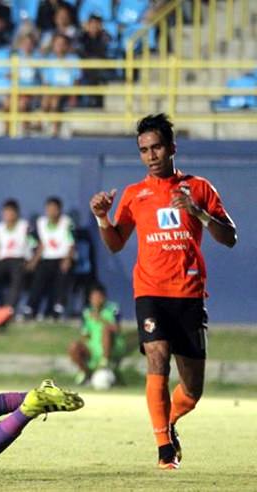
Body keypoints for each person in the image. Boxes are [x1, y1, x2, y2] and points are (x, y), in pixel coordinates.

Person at [89, 113, 237, 469]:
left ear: (172, 147)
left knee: (193, 390)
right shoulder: (134, 195)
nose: (151, 155)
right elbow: (116, 244)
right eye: (144, 150)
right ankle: (163, 450)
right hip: (150, 291)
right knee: (157, 356)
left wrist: (198, 213)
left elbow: (230, 237)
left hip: (188, 294)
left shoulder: (199, 188)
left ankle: (169, 420)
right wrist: (103, 219)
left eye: (156, 147)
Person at [24, 196, 75, 319]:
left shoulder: (67, 222)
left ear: (59, 210)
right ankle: (30, 308)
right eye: (49, 209)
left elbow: (71, 243)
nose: (51, 211)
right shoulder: (40, 223)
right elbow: (39, 243)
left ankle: (58, 308)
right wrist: (34, 261)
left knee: (62, 277)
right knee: (38, 278)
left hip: (63, 258)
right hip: (46, 259)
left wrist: (68, 259)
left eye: (54, 209)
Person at [68, 284, 126, 385]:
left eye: (98, 297)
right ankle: (85, 372)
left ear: (103, 297)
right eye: (93, 298)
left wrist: (99, 318)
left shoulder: (114, 308)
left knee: (106, 329)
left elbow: (117, 328)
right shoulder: (87, 312)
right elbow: (85, 334)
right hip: (93, 347)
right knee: (73, 346)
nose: (95, 300)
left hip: (112, 347)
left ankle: (105, 360)